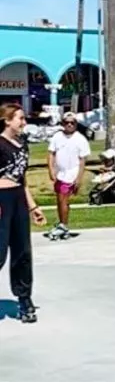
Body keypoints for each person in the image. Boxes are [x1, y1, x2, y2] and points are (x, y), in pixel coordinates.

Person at [0, 104, 47, 322]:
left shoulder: (23, 144)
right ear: (7, 120)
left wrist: (33, 207)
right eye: (20, 118)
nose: (24, 122)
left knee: (22, 253)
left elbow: (22, 178)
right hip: (1, 201)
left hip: (18, 199)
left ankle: (24, 299)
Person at [47, 112, 90, 238]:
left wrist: (79, 178)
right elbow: (51, 154)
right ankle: (63, 224)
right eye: (67, 123)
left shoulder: (80, 139)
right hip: (60, 173)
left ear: (76, 124)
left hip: (72, 173)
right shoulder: (57, 137)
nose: (69, 125)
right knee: (60, 201)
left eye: (72, 123)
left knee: (63, 199)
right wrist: (51, 170)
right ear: (62, 124)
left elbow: (82, 161)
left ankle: (63, 225)